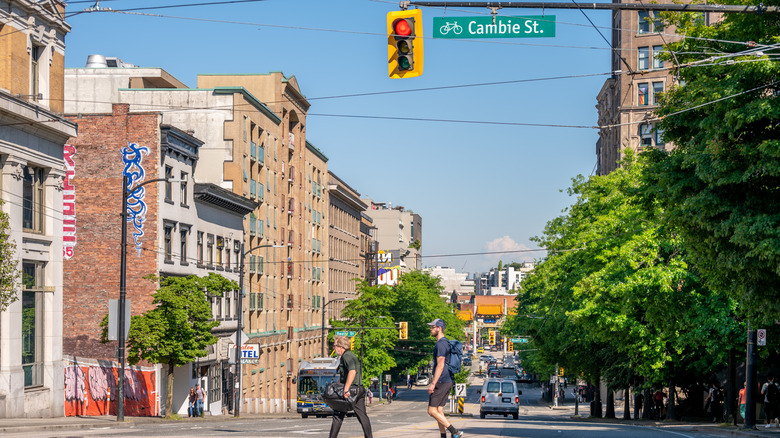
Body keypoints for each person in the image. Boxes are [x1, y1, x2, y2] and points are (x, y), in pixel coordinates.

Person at [426, 319, 464, 438]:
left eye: (433, 327)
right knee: (439, 411)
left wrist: (433, 383)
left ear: (439, 328)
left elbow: (440, 364)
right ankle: (443, 436)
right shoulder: (445, 343)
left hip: (442, 380)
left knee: (431, 411)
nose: (431, 329)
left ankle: (454, 431)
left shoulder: (441, 344)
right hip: (447, 380)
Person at [329, 335, 373, 438]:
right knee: (362, 416)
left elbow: (352, 372)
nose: (333, 348)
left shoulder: (346, 356)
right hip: (359, 389)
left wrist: (346, 389)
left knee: (338, 415)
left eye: (335, 345)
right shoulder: (350, 355)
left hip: (351, 390)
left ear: (341, 346)